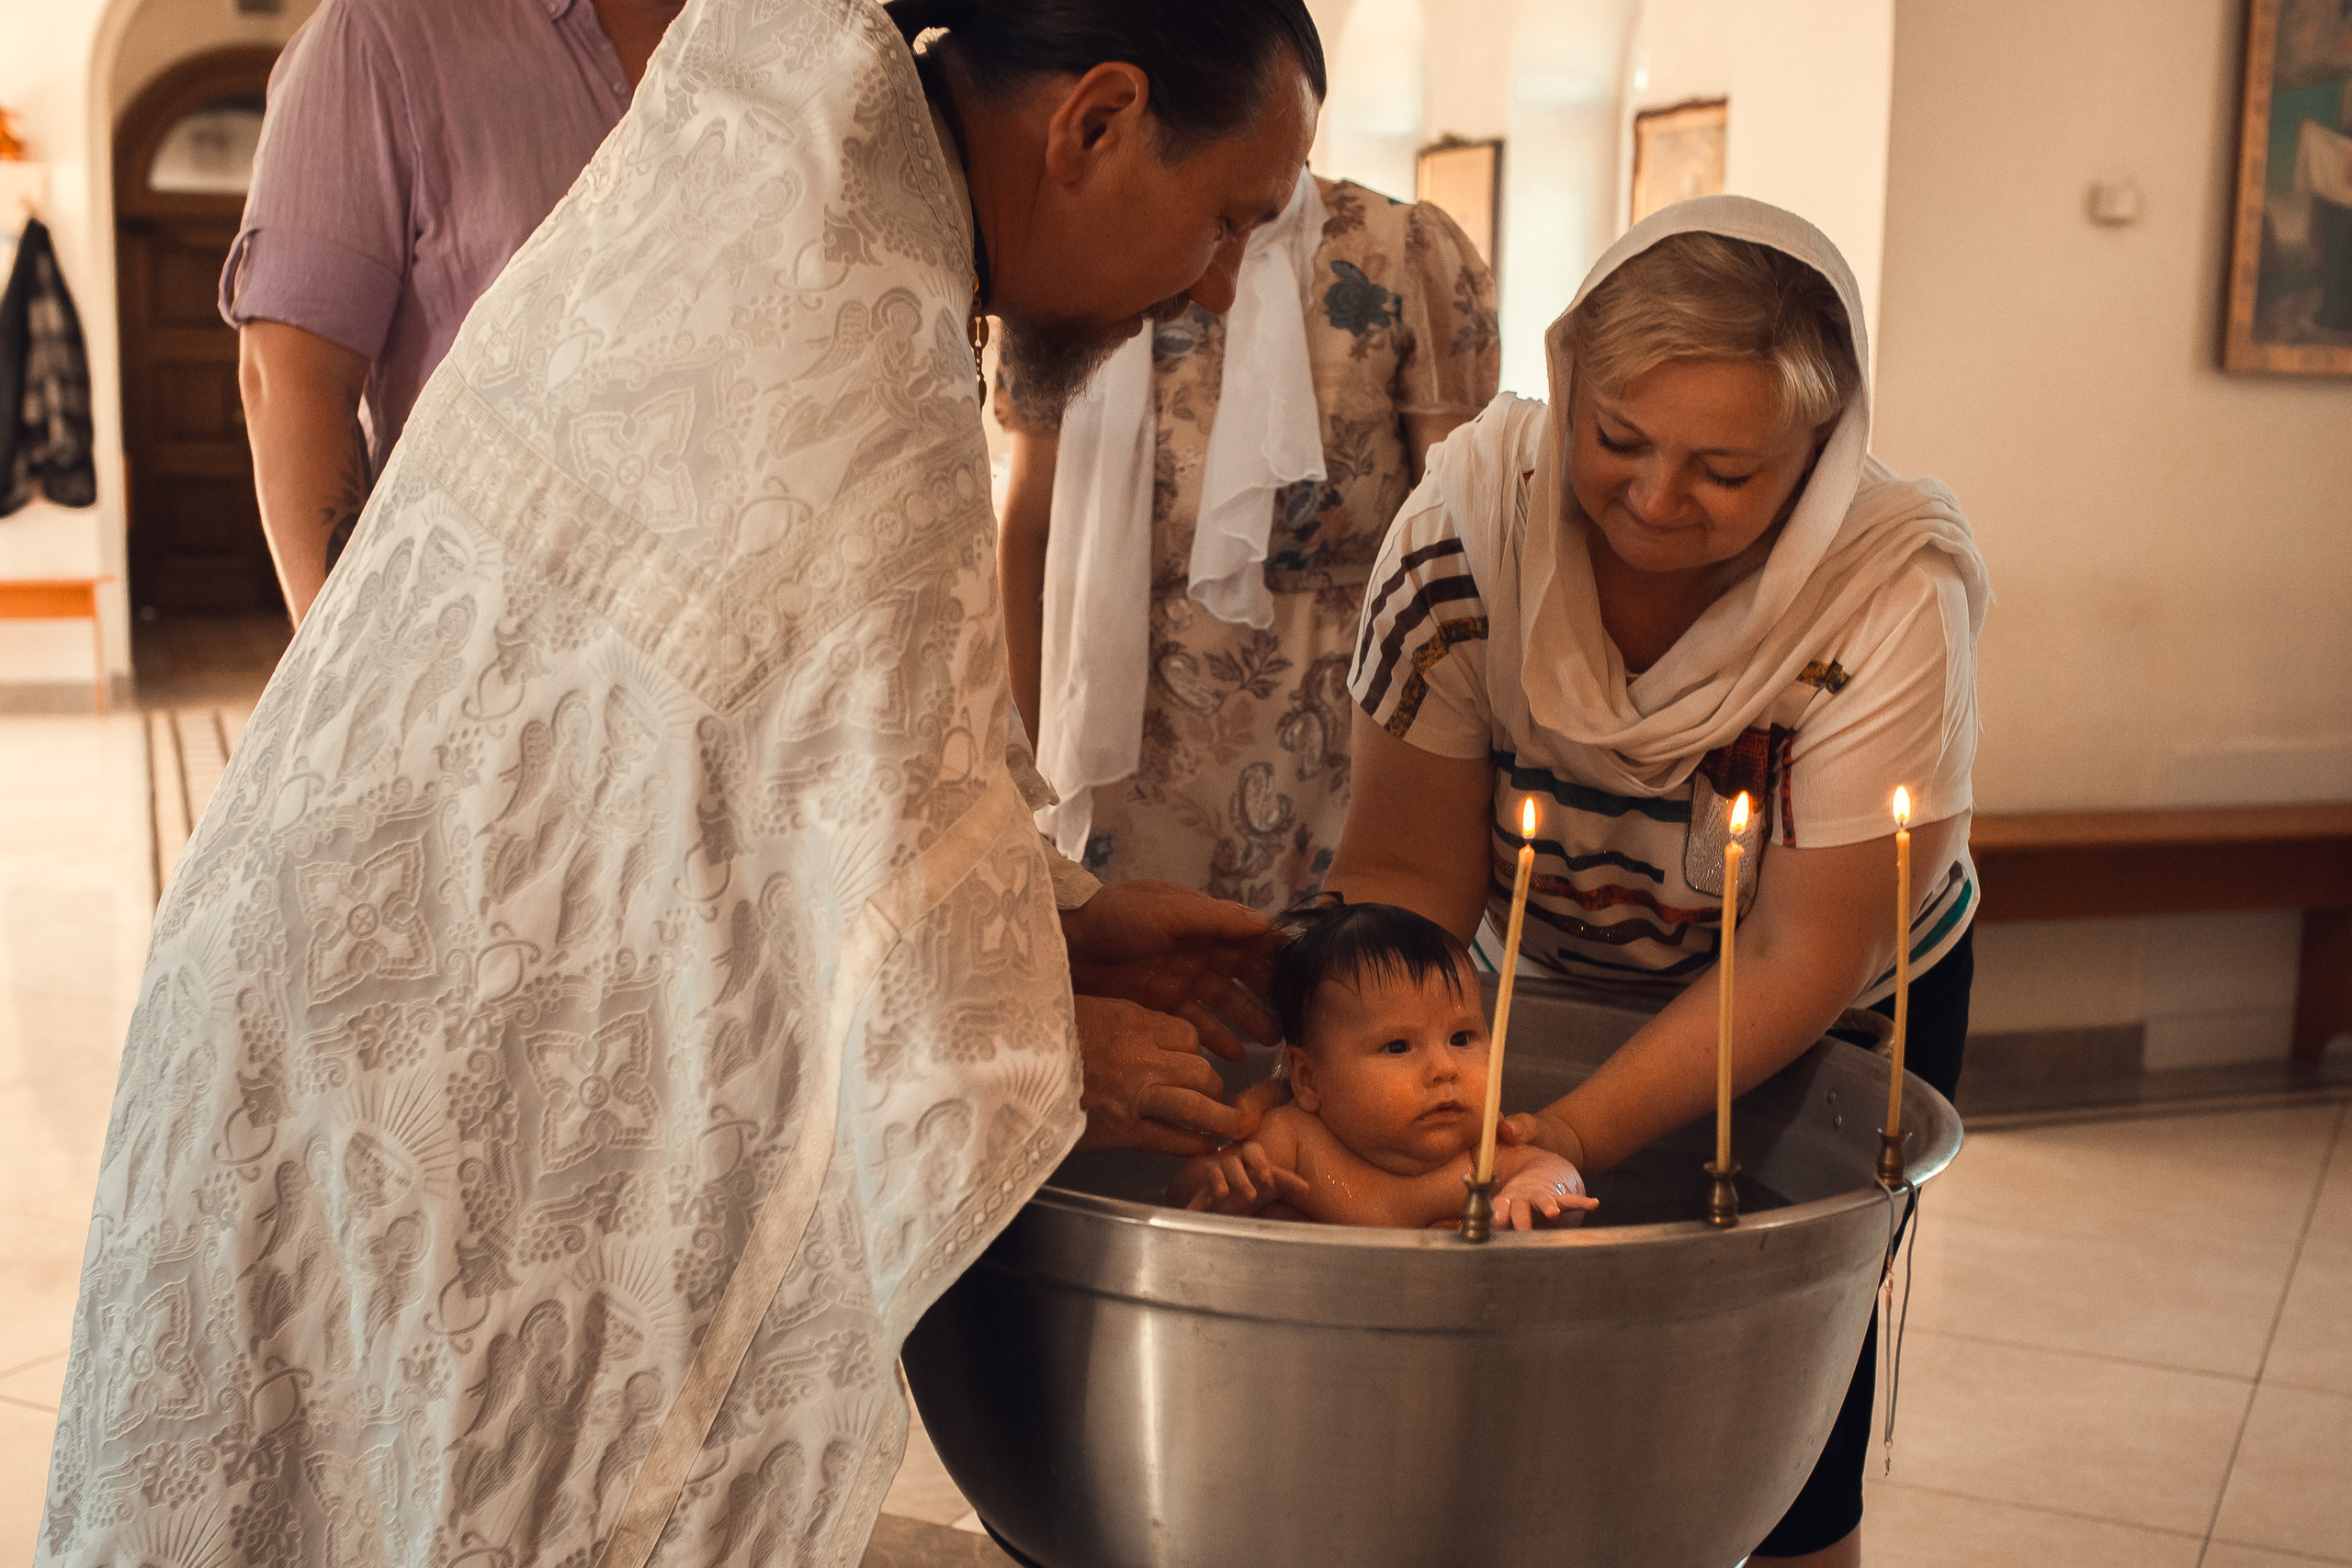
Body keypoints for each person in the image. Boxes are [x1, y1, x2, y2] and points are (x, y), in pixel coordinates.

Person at [38, 3, 1325, 1564]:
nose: (1210, 289)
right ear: (1099, 122)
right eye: (1228, 224)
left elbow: (773, 760)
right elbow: (808, 809)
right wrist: (1039, 1038)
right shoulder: (844, 307)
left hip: (352, 983)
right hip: (395, 1021)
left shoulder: (800, 185)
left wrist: (1068, 921)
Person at [1329, 196, 1989, 1566]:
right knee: (1514, 1356)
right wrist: (1366, 1081)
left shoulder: (1884, 592)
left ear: (1819, 453)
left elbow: (1803, 954)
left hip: (1829, 987)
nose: (1653, 498)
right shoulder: (1469, 527)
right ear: (1571, 384)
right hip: (1555, 947)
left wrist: (1567, 1123)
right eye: (1617, 437)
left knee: (1778, 1375)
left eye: (1725, 470)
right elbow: (1402, 870)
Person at [996, 172, 1498, 914]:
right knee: (1149, 992)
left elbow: (1456, 530)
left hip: (1344, 729)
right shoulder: (1070, 256)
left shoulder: (1402, 248)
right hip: (1124, 732)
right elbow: (1029, 536)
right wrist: (1021, 778)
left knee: (1338, 992)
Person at [224, 0, 691, 625]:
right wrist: (363, 679)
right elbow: (293, 377)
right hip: (496, 643)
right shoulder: (382, 33)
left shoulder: (809, 37)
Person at [1170, 898, 1592, 1229]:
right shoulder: (1294, 1142)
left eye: (1461, 1038)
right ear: (1307, 1079)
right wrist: (1223, 1184)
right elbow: (1184, 1198)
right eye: (1397, 1047)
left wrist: (1537, 1192)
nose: (1444, 1068)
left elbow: (1560, 1174)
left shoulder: (1482, 1157)